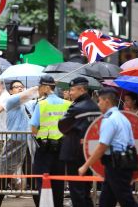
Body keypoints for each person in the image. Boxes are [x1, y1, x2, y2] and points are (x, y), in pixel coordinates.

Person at [78, 87, 138, 207]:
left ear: (107, 101)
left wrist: (85, 166)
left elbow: (102, 146)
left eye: (99, 101)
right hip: (121, 163)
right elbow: (131, 142)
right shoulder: (122, 117)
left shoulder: (110, 120)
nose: (98, 104)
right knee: (106, 201)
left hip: (116, 165)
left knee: (126, 200)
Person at [0, 80, 38, 207]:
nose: (19, 89)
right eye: (16, 87)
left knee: (33, 178)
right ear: (10, 91)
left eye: (21, 87)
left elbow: (37, 100)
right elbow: (28, 95)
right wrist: (40, 87)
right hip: (14, 143)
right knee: (3, 177)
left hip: (28, 144)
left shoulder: (30, 104)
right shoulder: (10, 101)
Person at [58, 77, 101, 207]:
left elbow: (62, 125)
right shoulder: (95, 106)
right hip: (89, 152)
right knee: (86, 189)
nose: (70, 93)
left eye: (72, 90)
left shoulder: (76, 107)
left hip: (74, 151)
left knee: (76, 190)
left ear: (81, 89)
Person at [29, 75, 71, 207]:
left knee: (43, 182)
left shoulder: (41, 104)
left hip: (44, 149)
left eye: (40, 86)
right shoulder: (67, 104)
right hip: (61, 150)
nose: (39, 89)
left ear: (46, 87)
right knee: (58, 183)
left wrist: (41, 134)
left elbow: (34, 127)